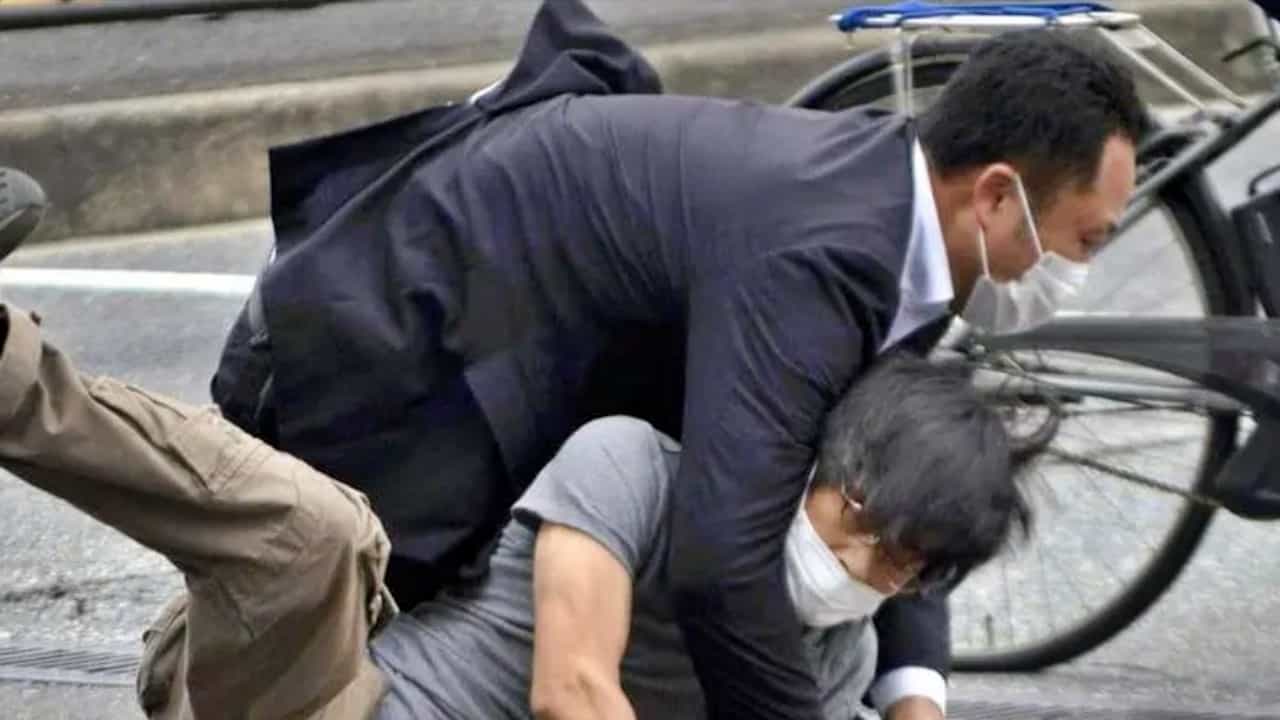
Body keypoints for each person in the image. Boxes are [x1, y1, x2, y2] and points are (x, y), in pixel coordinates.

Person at [209, 1, 1143, 718]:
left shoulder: (897, 219)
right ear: (996, 195)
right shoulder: (825, 256)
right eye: (1086, 239)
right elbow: (722, 566)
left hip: (472, 358)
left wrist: (913, 694)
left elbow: (901, 467)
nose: (1076, 271)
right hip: (357, 353)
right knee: (306, 669)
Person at [0, 272, 1028, 718]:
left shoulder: (835, 658)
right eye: (857, 520)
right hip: (311, 701)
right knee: (317, 530)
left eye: (900, 565)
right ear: (813, 462)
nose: (858, 564)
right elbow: (569, 692)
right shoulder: (635, 470)